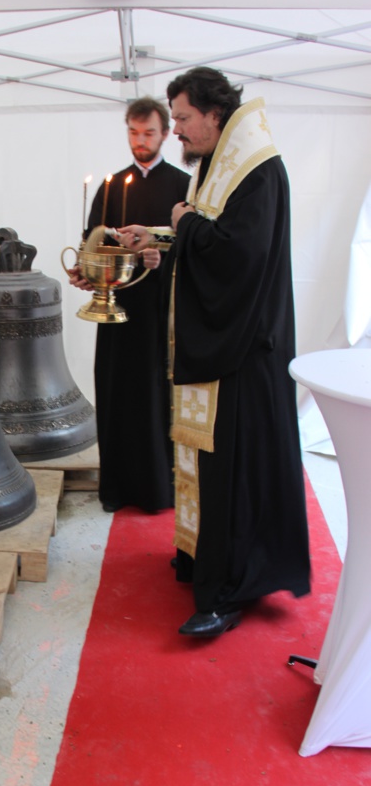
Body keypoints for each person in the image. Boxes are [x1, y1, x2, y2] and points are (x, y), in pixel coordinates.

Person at [119, 67, 311, 637]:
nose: (175, 130)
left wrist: (181, 220)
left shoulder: (257, 170)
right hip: (226, 350)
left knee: (233, 471)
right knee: (211, 468)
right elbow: (209, 242)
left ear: (214, 114)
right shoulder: (218, 167)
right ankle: (207, 560)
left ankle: (230, 589)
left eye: (180, 119)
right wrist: (161, 240)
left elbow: (236, 259)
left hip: (243, 358)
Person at [70, 97, 189, 514]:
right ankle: (115, 488)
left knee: (152, 395)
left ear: (165, 133)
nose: (140, 142)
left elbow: (193, 247)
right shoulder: (110, 185)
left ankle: (156, 489)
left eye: (149, 133)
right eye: (134, 133)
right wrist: (85, 271)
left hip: (158, 312)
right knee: (115, 391)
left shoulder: (181, 185)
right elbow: (92, 242)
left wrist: (162, 256)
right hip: (115, 310)